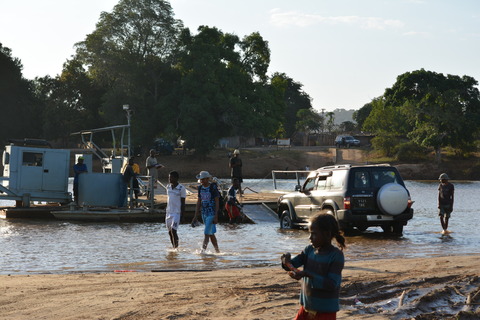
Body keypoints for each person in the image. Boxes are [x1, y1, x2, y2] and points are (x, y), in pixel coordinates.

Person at [281, 213, 346, 320]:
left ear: (327, 234)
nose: (310, 237)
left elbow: (331, 284)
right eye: (310, 233)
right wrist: (286, 262)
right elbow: (292, 265)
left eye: (314, 234)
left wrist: (307, 274)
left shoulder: (336, 255)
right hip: (306, 307)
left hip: (325, 310)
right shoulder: (309, 250)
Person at [192, 171, 220, 253]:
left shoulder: (213, 187)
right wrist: (195, 215)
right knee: (211, 234)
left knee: (206, 233)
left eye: (203, 179)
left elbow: (217, 201)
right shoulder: (200, 188)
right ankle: (217, 251)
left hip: (211, 213)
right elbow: (199, 201)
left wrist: (216, 215)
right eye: (201, 180)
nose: (202, 181)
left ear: (207, 179)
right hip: (204, 213)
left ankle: (202, 251)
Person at [166, 171, 186, 249]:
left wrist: (182, 215)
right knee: (170, 232)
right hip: (168, 212)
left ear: (176, 178)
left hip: (177, 213)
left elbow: (183, 203)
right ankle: (173, 247)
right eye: (169, 177)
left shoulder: (181, 188)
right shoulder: (168, 187)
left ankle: (176, 248)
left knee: (174, 231)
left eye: (171, 177)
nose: (169, 179)